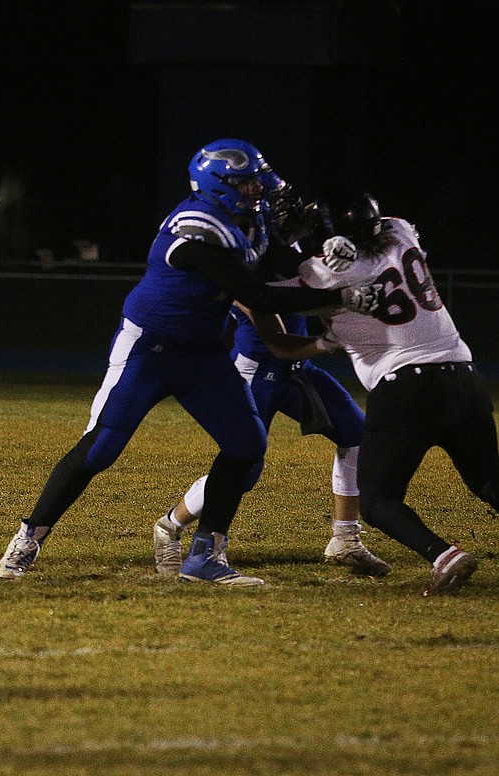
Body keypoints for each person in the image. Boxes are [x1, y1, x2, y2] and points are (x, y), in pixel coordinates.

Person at [0, 139, 382, 585]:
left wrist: (325, 257)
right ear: (219, 186)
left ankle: (204, 557)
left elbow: (282, 266)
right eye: (247, 183)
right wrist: (342, 294)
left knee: (245, 446)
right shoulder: (195, 228)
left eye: (258, 180)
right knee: (101, 448)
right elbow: (257, 293)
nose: (259, 190)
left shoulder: (248, 222)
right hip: (150, 350)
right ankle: (28, 538)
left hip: (203, 354)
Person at [250, 190, 499, 595]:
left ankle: (444, 555)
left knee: (378, 501)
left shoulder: (322, 274)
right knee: (489, 481)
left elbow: (262, 292)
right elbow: (387, 228)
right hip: (464, 376)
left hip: (405, 386)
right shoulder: (401, 233)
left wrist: (295, 252)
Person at [152, 177, 390, 577]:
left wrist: (334, 259)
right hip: (259, 369)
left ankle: (345, 537)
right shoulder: (241, 262)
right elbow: (277, 338)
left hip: (296, 369)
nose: (296, 219)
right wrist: (325, 338)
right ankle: (170, 525)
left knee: (356, 434)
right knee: (243, 470)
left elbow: (310, 276)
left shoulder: (281, 250)